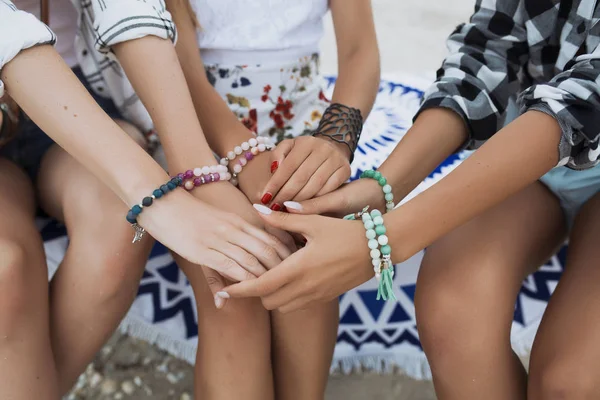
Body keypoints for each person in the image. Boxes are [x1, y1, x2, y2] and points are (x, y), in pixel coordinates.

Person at [221, 1, 600, 399]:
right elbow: (487, 51)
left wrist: (380, 240)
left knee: (573, 381)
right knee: (452, 313)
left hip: (557, 130)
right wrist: (380, 189)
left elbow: (586, 101)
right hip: (529, 143)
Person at [1, 1, 288, 397]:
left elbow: (125, 7)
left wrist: (196, 170)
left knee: (123, 222)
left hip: (75, 103)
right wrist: (160, 199)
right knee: (5, 271)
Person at [156, 0, 379, 398]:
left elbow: (360, 49)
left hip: (304, 130)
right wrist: (245, 154)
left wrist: (334, 141)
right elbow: (179, 64)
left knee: (307, 247)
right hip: (191, 133)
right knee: (235, 267)